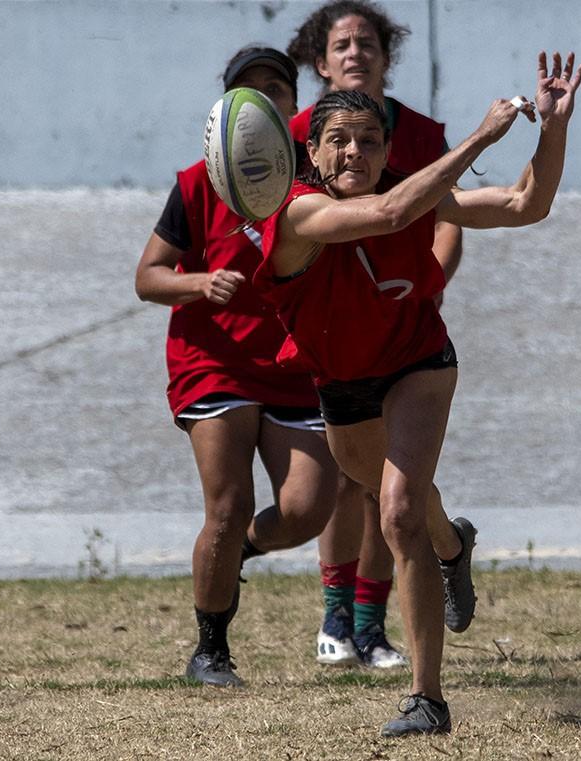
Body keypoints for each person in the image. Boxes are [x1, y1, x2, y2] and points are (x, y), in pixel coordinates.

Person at [253, 51, 581, 736]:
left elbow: (528, 204)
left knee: (398, 512)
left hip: (418, 364)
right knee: (406, 504)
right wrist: (482, 137)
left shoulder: (412, 188)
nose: (355, 151)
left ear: (386, 150)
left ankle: (427, 697)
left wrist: (549, 130)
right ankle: (454, 546)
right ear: (310, 153)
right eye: (338, 140)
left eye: (369, 140)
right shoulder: (296, 214)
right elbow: (391, 211)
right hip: (343, 383)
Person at [134, 46, 339, 688]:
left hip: (292, 362)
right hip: (213, 361)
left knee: (308, 509)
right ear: (227, 108)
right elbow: (147, 278)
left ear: (293, 102)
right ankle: (211, 648)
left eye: (276, 89)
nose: (264, 101)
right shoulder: (198, 183)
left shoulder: (317, 177)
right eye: (248, 92)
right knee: (226, 504)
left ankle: (235, 553)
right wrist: (198, 283)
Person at [285, 0, 466, 669]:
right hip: (329, 330)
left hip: (401, 329)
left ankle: (373, 621)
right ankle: (338, 610)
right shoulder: (294, 138)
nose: (356, 52)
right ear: (321, 61)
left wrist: (424, 280)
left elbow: (446, 217)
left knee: (394, 496)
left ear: (388, 59)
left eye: (369, 42)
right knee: (346, 474)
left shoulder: (418, 134)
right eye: (342, 43)